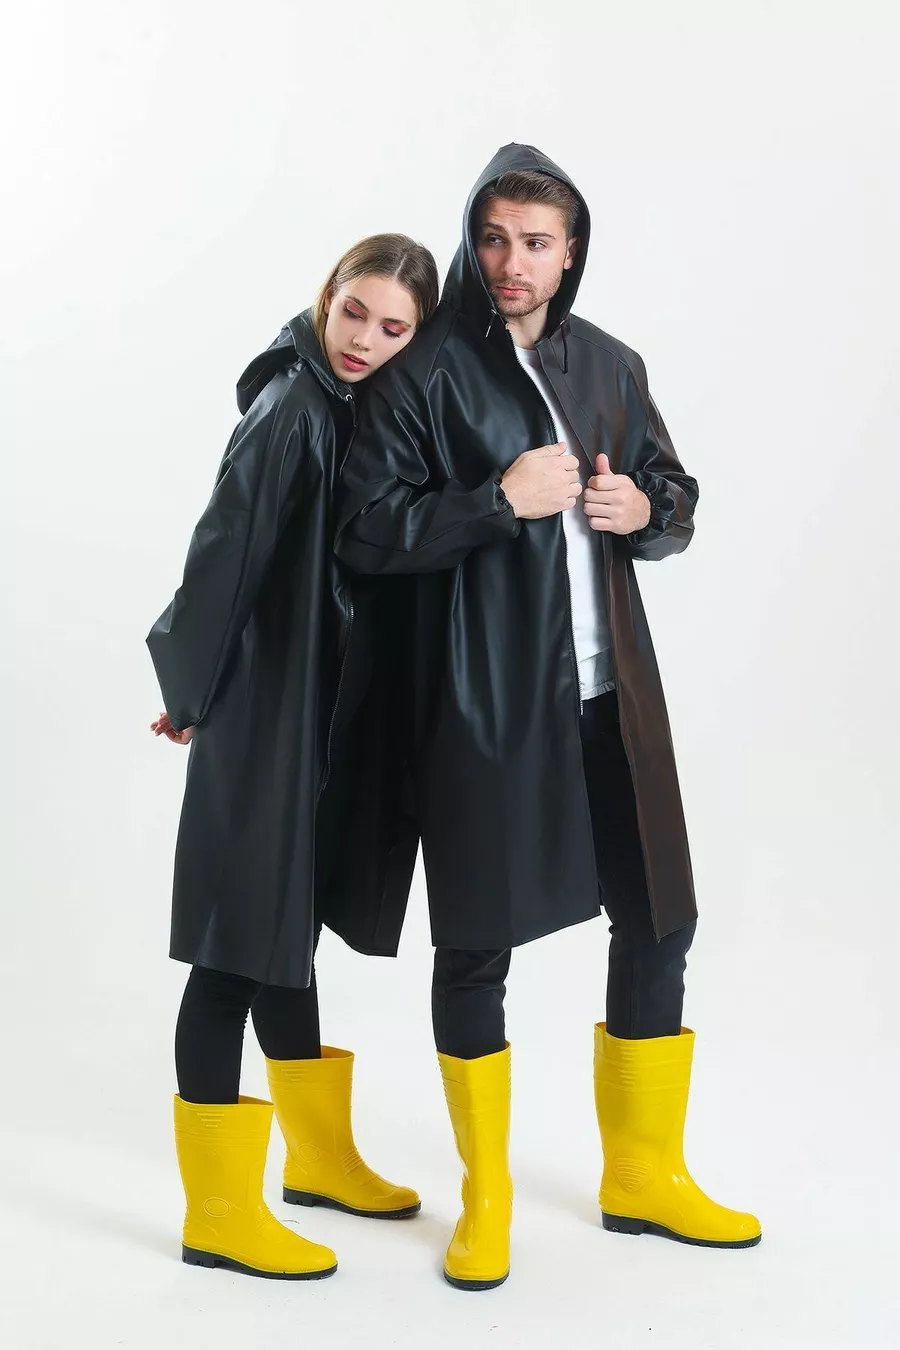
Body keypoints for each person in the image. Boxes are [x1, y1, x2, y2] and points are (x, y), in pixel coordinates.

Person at [336, 145, 761, 1291]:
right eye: (493, 239)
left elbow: (676, 493)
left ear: (571, 251)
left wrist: (643, 509)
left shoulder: (610, 363)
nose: (511, 262)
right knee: (476, 944)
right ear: (471, 243)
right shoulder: (423, 372)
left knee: (661, 919)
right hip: (483, 702)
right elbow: (367, 531)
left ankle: (644, 1176)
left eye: (535, 241)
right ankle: (487, 1197)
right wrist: (494, 501)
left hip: (612, 694)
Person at [146, 234, 438, 1281]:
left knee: (284, 935)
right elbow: (220, 556)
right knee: (235, 949)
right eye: (354, 312)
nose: (365, 339)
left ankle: (316, 1160)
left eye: (393, 328)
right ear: (327, 296)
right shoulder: (293, 409)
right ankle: (220, 1214)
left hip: (307, 712)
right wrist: (188, 690)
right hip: (262, 716)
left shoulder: (346, 405)